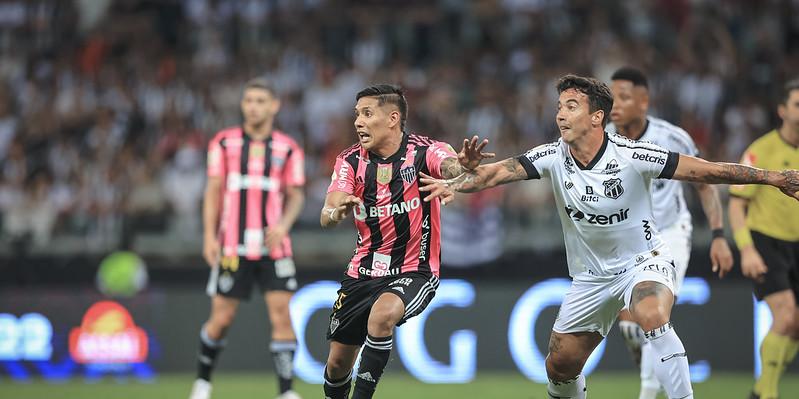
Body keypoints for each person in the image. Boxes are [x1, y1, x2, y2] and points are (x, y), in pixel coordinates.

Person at [420, 74, 799, 399]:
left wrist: (774, 178)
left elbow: (708, 172)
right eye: (559, 106)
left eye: (571, 106)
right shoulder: (551, 156)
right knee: (560, 365)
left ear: (597, 117)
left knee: (650, 313)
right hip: (591, 277)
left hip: (643, 262)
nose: (560, 114)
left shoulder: (634, 155)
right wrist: (459, 174)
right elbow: (490, 175)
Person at [320, 84, 493, 399]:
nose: (358, 121)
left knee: (382, 316)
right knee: (336, 365)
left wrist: (463, 168)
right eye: (357, 114)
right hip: (362, 273)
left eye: (367, 113)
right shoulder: (350, 160)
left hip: (414, 270)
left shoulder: (426, 151)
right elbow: (327, 213)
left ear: (392, 118)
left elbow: (453, 168)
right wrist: (336, 211)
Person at [606, 67, 734, 399]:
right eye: (611, 97)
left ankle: (648, 393)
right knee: (631, 329)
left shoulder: (672, 138)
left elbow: (704, 185)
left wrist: (718, 234)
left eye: (624, 97)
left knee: (653, 314)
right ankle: (654, 368)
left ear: (644, 101)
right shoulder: (601, 139)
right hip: (628, 240)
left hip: (670, 234)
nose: (614, 105)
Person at [190, 78, 305, 399]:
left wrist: (283, 225)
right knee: (221, 319)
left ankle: (286, 392)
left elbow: (295, 195)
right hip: (231, 245)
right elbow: (213, 192)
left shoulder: (288, 148)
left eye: (259, 100)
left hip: (274, 246)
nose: (252, 106)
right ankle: (202, 382)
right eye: (248, 100)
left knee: (281, 315)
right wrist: (209, 237)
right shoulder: (224, 143)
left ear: (274, 106)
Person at [728, 79, 799, 399]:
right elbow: (737, 203)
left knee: (794, 325)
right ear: (782, 110)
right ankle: (767, 395)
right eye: (797, 104)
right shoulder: (761, 150)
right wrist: (747, 250)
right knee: (785, 316)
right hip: (767, 242)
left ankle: (759, 391)